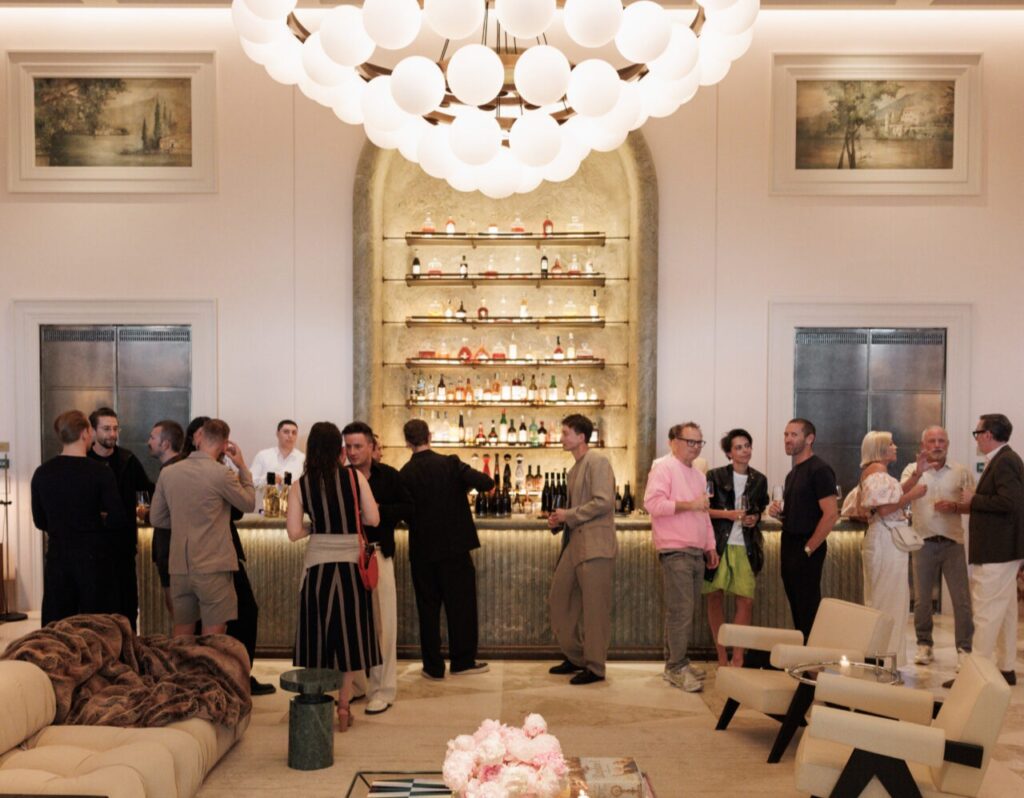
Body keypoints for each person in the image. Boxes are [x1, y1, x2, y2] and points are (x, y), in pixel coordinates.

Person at [287, 421, 381, 730]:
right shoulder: (354, 478)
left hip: (318, 568)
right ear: (338, 449)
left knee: (318, 637)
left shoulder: (300, 485)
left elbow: (293, 532)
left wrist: (316, 527)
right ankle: (343, 706)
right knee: (349, 637)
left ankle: (319, 702)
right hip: (351, 566)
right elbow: (373, 518)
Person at [181, 416, 274, 695]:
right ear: (195, 438)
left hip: (194, 554)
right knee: (235, 614)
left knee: (223, 615)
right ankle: (226, 678)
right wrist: (242, 467)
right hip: (217, 553)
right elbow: (245, 505)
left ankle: (226, 675)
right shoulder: (209, 472)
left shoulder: (188, 470)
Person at [399, 418, 493, 680]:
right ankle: (462, 661)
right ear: (430, 436)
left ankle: (433, 667)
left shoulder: (404, 474)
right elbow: (486, 483)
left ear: (407, 442)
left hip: (422, 550)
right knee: (460, 606)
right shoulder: (450, 464)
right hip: (454, 548)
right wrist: (462, 486)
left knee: (427, 609)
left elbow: (403, 512)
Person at [149, 418, 255, 638]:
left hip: (180, 567)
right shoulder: (221, 473)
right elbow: (248, 503)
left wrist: (182, 522)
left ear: (198, 438)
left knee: (183, 632)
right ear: (225, 446)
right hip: (213, 565)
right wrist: (243, 467)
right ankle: (207, 664)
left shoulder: (169, 472)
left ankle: (181, 663)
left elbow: (156, 518)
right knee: (213, 636)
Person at [31, 410, 128, 625]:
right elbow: (118, 518)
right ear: (85, 433)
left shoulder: (42, 473)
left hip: (58, 556)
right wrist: (99, 520)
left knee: (58, 623)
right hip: (94, 558)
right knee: (95, 623)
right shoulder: (100, 472)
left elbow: (39, 520)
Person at [343, 421, 414, 715]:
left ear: (372, 447)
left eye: (358, 446)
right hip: (346, 556)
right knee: (352, 625)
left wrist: (377, 511)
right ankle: (355, 685)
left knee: (383, 626)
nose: (353, 452)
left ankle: (382, 690)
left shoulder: (389, 476)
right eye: (348, 446)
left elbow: (409, 508)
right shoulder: (341, 477)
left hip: (378, 554)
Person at [643, 422, 718, 692]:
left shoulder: (698, 475)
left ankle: (676, 663)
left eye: (699, 442)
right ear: (674, 442)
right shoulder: (663, 468)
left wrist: (710, 546)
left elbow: (703, 513)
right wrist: (690, 505)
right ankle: (676, 667)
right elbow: (652, 504)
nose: (696, 447)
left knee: (685, 610)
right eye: (690, 442)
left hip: (696, 550)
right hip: (675, 550)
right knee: (681, 611)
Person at [548, 413, 617, 686]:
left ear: (581, 436)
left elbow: (604, 501)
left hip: (596, 546)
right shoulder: (574, 469)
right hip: (575, 545)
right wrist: (559, 520)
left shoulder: (597, 461)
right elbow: (575, 511)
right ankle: (577, 657)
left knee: (595, 610)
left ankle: (595, 667)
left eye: (566, 433)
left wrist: (568, 514)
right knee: (559, 600)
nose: (561, 438)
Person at [900, 426, 975, 668]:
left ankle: (964, 649)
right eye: (931, 441)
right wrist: (916, 480)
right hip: (923, 542)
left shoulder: (961, 472)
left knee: (962, 600)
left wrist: (954, 507)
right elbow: (899, 497)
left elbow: (973, 505)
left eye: (941, 441)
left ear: (948, 444)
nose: (937, 445)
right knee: (922, 600)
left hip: (953, 542)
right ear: (923, 445)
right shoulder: (912, 470)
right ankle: (924, 645)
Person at [856, 431, 928, 669]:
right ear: (879, 449)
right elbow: (885, 509)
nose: (895, 447)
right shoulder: (877, 472)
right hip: (886, 541)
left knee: (886, 598)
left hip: (885, 539)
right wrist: (913, 495)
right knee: (888, 601)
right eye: (890, 444)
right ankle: (884, 661)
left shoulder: (877, 472)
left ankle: (882, 660)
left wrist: (916, 474)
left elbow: (891, 495)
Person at [962, 414, 1024, 685]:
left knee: (986, 612)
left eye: (977, 433)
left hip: (997, 550)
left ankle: (975, 676)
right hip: (1004, 549)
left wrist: (974, 499)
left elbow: (1010, 502)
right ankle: (1006, 667)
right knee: (1007, 610)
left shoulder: (1005, 460)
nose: (976, 438)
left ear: (988, 435)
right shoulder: (1005, 459)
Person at [768, 418, 839, 641]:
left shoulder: (820, 470)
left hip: (806, 547)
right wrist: (779, 514)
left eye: (794, 435)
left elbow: (831, 514)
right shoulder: (792, 474)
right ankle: (804, 657)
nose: (788, 439)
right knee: (797, 608)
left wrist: (808, 548)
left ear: (809, 439)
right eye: (786, 434)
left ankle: (813, 660)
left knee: (808, 609)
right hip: (789, 544)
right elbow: (798, 514)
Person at [705, 428, 769, 667]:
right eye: (738, 447)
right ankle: (722, 657)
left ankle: (738, 657)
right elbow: (703, 509)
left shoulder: (759, 480)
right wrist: (728, 515)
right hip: (719, 544)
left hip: (745, 545)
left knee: (746, 601)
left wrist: (754, 518)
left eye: (747, 446)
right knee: (715, 598)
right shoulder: (714, 475)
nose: (744, 451)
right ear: (729, 453)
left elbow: (759, 510)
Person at [86, 406, 154, 630]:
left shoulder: (128, 460)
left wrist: (145, 510)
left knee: (127, 606)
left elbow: (148, 490)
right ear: (93, 431)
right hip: (92, 548)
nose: (112, 434)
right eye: (106, 429)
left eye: (115, 429)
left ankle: (128, 647)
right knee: (96, 609)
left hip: (123, 545)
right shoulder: (84, 461)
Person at [146, 419, 185, 616]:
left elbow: (165, 512)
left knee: (178, 609)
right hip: (173, 549)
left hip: (171, 548)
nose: (148, 442)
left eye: (153, 438)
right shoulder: (178, 467)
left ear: (166, 444)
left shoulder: (172, 471)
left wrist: (147, 514)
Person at [250, 419, 305, 489]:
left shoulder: (302, 459)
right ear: (277, 434)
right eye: (286, 432)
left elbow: (305, 486)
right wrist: (268, 479)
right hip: (266, 496)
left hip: (292, 496)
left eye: (294, 433)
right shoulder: (263, 456)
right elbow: (250, 482)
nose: (290, 435)